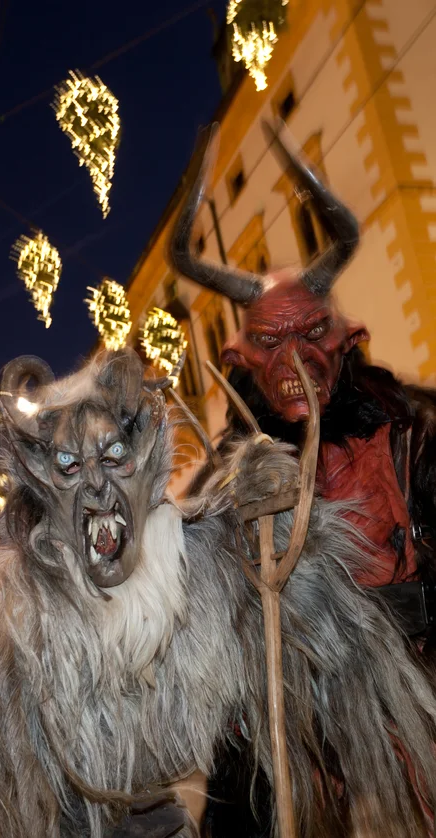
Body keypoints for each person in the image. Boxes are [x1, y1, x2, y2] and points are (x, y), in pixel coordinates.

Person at [168, 120, 436, 835]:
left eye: (311, 335)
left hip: (415, 706)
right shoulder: (225, 478)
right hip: (300, 734)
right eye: (269, 341)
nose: (292, 360)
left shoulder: (411, 433)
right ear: (239, 359)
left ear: (347, 341)